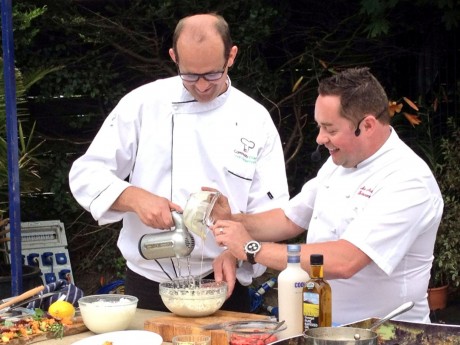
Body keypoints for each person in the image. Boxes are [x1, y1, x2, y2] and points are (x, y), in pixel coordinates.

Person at [68, 13, 289, 312]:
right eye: (190, 75)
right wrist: (133, 197)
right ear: (174, 57)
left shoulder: (255, 120)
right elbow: (86, 173)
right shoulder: (142, 104)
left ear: (231, 56)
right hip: (148, 282)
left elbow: (273, 215)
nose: (201, 86)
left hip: (223, 283)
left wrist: (238, 253)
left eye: (212, 74)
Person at [210, 67, 444, 324]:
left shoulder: (408, 180)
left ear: (367, 125)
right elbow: (290, 219)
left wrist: (250, 248)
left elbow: (346, 260)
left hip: (387, 335)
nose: (320, 139)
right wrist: (233, 221)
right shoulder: (338, 163)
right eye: (319, 127)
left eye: (330, 129)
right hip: (323, 330)